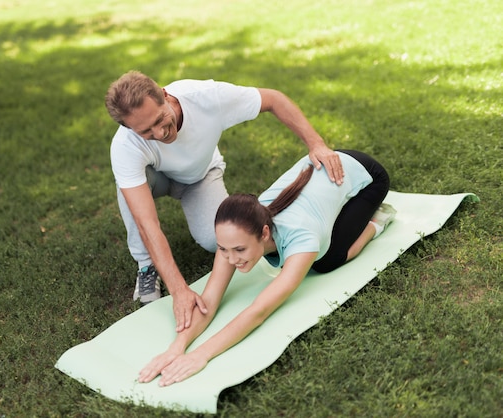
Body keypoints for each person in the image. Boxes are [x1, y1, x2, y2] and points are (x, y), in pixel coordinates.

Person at [105, 70, 345, 332]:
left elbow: (274, 100)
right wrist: (179, 291)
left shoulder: (206, 97)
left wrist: (316, 143)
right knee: (129, 193)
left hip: (200, 176)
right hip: (155, 177)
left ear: (165, 95)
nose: (160, 132)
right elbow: (147, 223)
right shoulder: (125, 145)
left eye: (160, 119)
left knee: (214, 241)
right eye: (146, 131)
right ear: (129, 128)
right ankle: (146, 267)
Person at [137, 149, 396, 386]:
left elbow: (259, 311)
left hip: (367, 176)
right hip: (326, 169)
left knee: (329, 259)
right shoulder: (237, 233)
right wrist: (177, 347)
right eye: (223, 248)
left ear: (263, 233)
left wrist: (201, 355)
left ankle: (377, 221)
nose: (231, 258)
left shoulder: (302, 239)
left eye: (240, 250)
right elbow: (209, 301)